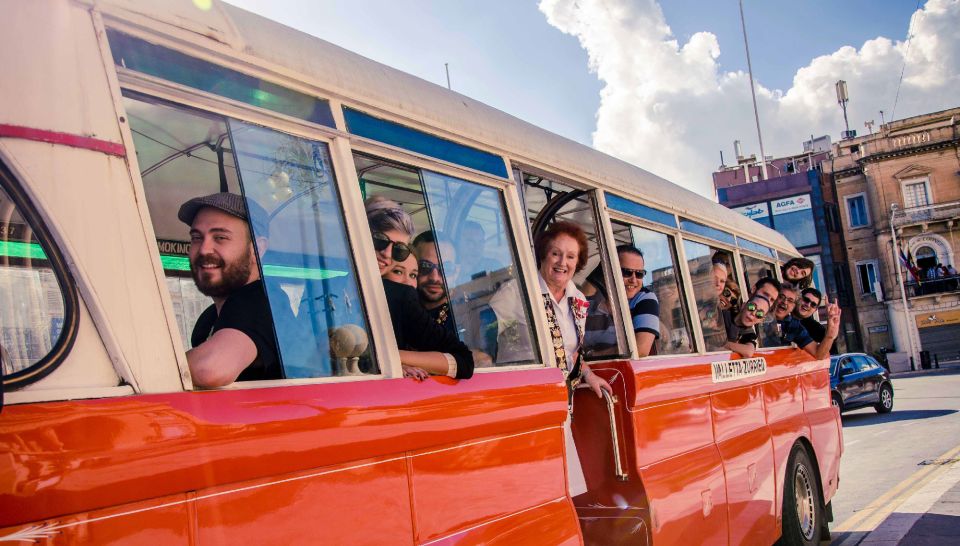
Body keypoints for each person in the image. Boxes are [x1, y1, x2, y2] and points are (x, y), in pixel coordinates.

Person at [178, 192, 282, 387]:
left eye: (220, 237)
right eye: (197, 238)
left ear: (257, 249)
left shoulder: (262, 301)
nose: (203, 249)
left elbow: (209, 369)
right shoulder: (209, 318)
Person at [365, 197, 474, 381]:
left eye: (399, 248)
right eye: (380, 241)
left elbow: (464, 361)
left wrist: (390, 357)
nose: (387, 254)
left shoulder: (400, 297)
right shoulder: (330, 285)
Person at [583, 245, 660, 357]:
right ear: (608, 271)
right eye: (626, 272)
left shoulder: (645, 299)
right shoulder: (588, 304)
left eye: (639, 274)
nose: (633, 280)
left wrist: (590, 355)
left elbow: (640, 350)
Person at [768, 283, 840, 360]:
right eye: (781, 297)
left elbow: (818, 354)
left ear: (794, 305)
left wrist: (830, 335)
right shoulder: (761, 309)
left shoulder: (795, 326)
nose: (785, 302)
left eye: (790, 300)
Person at [412, 230, 458, 334]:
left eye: (446, 268)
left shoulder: (470, 312)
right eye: (425, 266)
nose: (434, 277)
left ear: (457, 271)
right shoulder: (399, 308)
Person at [792, 287, 838, 354]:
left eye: (813, 305)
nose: (808, 305)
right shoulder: (783, 312)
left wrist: (832, 324)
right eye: (806, 300)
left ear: (815, 310)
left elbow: (830, 346)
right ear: (798, 299)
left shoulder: (814, 327)